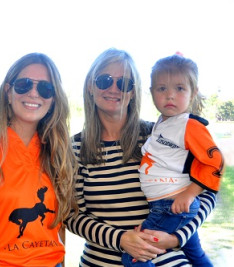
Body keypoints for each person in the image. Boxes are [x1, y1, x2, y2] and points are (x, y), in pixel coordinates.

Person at [65, 48, 217, 266]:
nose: (114, 89)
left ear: (133, 92)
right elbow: (71, 215)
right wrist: (121, 240)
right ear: (90, 86)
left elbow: (208, 190)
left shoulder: (161, 134)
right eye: (104, 80)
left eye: (124, 83)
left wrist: (177, 237)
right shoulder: (74, 148)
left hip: (169, 258)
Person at [0, 52, 77, 267]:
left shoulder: (58, 149)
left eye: (45, 88)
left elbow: (58, 225)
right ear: (8, 91)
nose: (33, 93)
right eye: (24, 84)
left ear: (54, 98)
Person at [121, 54, 222, 266]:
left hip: (171, 205)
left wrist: (189, 194)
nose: (170, 96)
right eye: (161, 89)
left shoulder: (189, 125)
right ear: (151, 93)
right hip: (165, 203)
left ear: (193, 93)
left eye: (179, 88)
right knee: (195, 254)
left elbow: (215, 162)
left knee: (135, 256)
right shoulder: (162, 123)